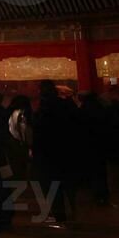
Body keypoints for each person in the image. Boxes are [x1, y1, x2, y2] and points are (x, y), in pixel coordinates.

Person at [32, 80, 79, 226]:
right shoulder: (65, 105)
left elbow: (38, 131)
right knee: (67, 183)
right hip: (66, 148)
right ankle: (73, 209)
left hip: (48, 151)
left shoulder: (44, 108)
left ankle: (58, 215)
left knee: (51, 184)